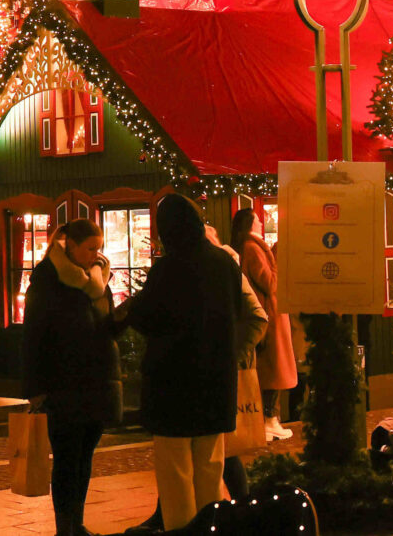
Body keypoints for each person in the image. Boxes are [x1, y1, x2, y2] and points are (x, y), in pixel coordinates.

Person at [114, 194, 266, 531]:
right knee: (210, 466)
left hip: (173, 386)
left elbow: (146, 317)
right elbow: (241, 313)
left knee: (175, 471)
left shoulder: (168, 268)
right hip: (216, 382)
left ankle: (182, 529)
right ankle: (213, 525)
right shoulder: (225, 263)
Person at [22, 219, 119, 536]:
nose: (96, 254)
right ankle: (65, 527)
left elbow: (106, 324)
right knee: (66, 458)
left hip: (95, 381)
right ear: (70, 246)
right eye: (90, 248)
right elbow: (34, 333)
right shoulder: (48, 277)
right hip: (62, 383)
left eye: (99, 248)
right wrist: (35, 387)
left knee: (85, 457)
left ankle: (76, 523)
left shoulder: (99, 279)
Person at [230, 208, 296, 442]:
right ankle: (270, 420)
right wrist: (277, 262)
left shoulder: (250, 247)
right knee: (272, 370)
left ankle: (271, 419)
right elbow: (270, 282)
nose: (261, 221)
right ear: (250, 224)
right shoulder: (253, 248)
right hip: (269, 318)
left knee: (271, 369)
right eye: (258, 219)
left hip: (269, 316)